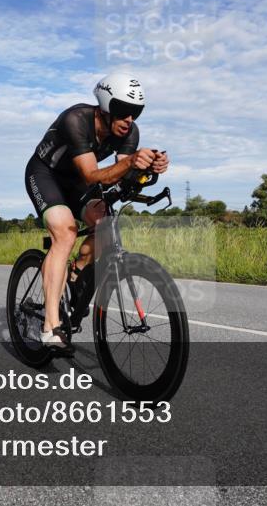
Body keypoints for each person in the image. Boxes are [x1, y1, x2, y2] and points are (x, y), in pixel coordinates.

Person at [24, 73, 168, 353]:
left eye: (135, 113)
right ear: (105, 106)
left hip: (77, 181)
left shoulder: (129, 132)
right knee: (65, 233)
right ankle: (50, 326)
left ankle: (76, 273)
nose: (130, 119)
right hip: (46, 174)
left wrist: (147, 167)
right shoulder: (75, 120)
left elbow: (118, 177)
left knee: (106, 224)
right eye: (124, 111)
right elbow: (93, 175)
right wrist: (131, 164)